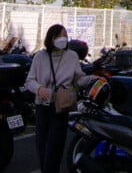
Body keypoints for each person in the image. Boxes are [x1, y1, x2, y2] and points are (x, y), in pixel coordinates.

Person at [25, 24, 89, 173]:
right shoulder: (40, 57)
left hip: (61, 106)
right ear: (51, 38)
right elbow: (30, 81)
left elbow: (78, 78)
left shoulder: (71, 56)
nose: (63, 38)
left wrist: (90, 80)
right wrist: (39, 89)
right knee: (42, 146)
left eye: (65, 35)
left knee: (55, 146)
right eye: (60, 35)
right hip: (42, 106)